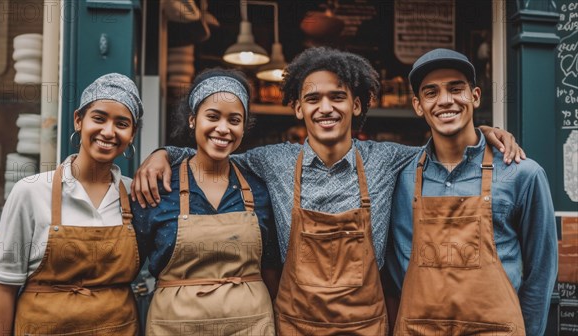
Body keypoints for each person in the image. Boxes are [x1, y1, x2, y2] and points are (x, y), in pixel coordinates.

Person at [132, 47, 523, 335]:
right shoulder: (273, 161)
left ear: (357, 103)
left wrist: (485, 133)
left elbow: (447, 141)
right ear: (298, 109)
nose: (326, 108)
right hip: (295, 326)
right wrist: (165, 152)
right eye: (313, 99)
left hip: (366, 327)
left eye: (337, 97)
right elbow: (217, 146)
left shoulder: (388, 159)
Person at [387, 48, 557, 336]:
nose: (445, 101)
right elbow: (392, 270)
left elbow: (541, 274)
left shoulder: (522, 174)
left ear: (475, 96)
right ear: (418, 105)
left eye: (456, 89)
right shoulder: (400, 177)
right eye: (431, 92)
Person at [0, 73, 144, 335]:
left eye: (122, 123)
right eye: (99, 118)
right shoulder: (30, 191)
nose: (108, 131)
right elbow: (5, 286)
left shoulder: (136, 194)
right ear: (78, 120)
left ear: (132, 134)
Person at [131, 68, 281, 335]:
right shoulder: (160, 186)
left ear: (243, 128)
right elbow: (130, 265)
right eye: (212, 116)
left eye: (234, 120)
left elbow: (270, 267)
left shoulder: (259, 188)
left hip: (251, 326)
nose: (223, 128)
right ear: (192, 120)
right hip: (175, 327)